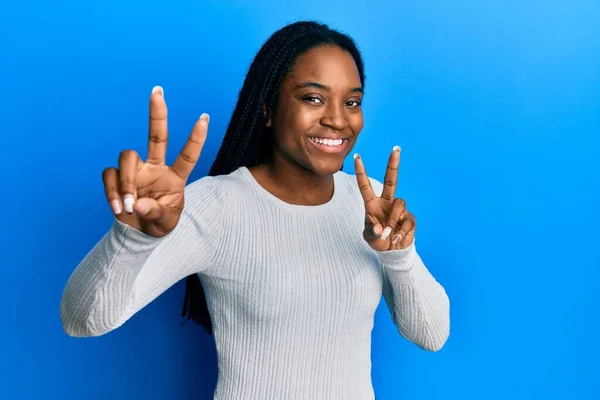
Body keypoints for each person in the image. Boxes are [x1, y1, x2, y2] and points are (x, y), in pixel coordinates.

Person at [60, 20, 450, 400]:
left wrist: (399, 255)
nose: (336, 119)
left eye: (352, 102)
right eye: (313, 98)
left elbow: (432, 334)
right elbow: (82, 320)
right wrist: (133, 236)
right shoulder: (219, 205)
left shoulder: (370, 206)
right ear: (267, 109)